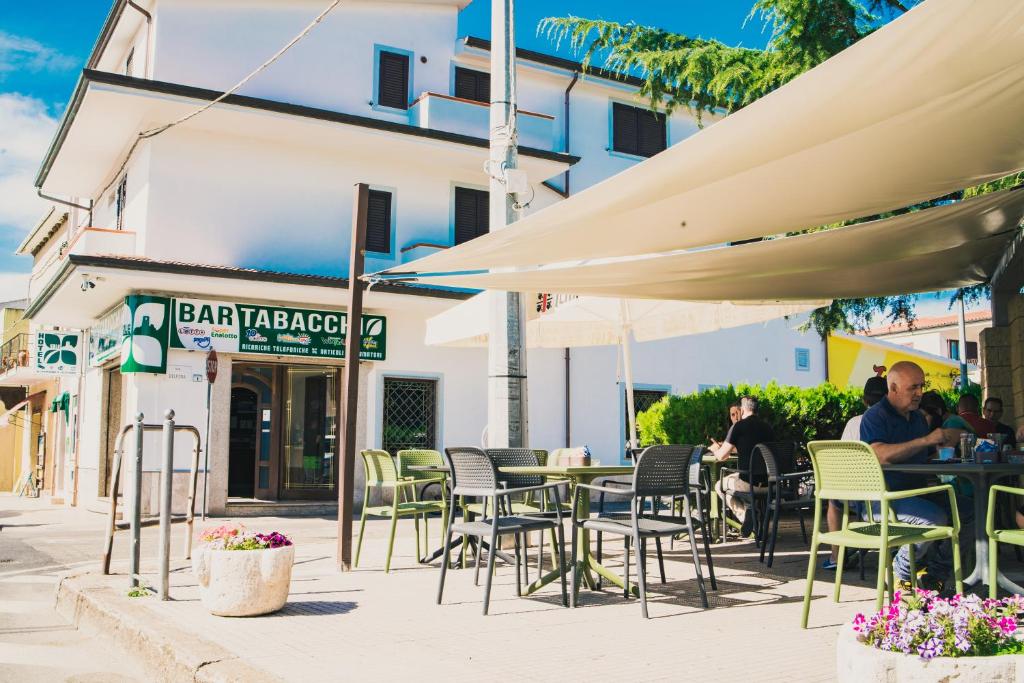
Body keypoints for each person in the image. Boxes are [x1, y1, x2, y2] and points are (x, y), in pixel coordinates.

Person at [859, 360, 960, 592]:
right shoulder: (875, 416)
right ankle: (900, 571)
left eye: (921, 386)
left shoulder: (916, 418)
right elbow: (879, 455)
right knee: (935, 517)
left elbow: (922, 457)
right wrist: (926, 440)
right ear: (893, 388)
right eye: (913, 387)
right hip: (883, 499)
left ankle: (935, 575)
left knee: (970, 511)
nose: (919, 393)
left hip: (917, 492)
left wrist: (948, 444)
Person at [823, 375, 888, 570]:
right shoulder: (894, 421)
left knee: (833, 502)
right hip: (888, 492)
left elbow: (844, 460)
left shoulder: (854, 423)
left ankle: (836, 556)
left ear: (863, 399)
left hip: (858, 496)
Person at [710, 396, 774, 536]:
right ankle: (751, 509)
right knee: (738, 476)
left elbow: (721, 456)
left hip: (748, 483)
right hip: (770, 484)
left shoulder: (738, 427)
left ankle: (746, 516)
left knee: (719, 486)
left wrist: (715, 449)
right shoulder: (768, 428)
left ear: (742, 409)